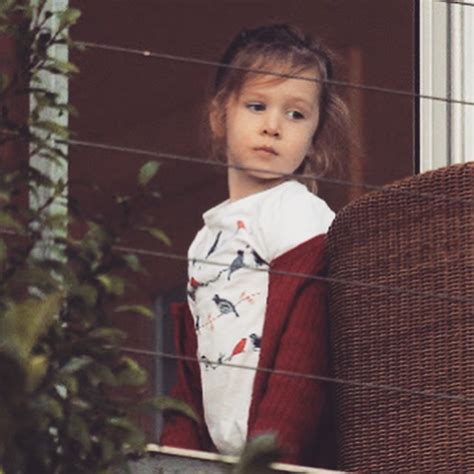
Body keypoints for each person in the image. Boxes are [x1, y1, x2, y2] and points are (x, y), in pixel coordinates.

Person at [160, 24, 350, 468]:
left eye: (296, 115)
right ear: (219, 116)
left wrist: (270, 456)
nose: (272, 126)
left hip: (280, 457)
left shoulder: (296, 214)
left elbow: (302, 361)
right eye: (257, 105)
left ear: (314, 138)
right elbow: (192, 379)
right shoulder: (206, 239)